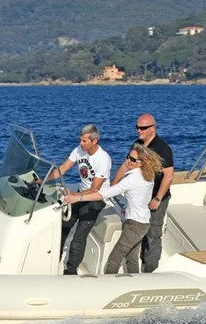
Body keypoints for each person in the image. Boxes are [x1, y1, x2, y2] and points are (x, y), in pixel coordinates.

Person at [64, 144, 161, 274]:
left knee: (114, 259)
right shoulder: (148, 175)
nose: (128, 161)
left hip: (135, 225)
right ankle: (136, 282)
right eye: (128, 157)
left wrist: (77, 198)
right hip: (143, 222)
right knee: (131, 259)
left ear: (141, 163)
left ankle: (109, 283)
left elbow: (104, 194)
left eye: (133, 160)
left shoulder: (133, 178)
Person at [45, 124, 112, 275]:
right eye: (80, 140)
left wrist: (74, 197)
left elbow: (95, 189)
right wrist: (43, 180)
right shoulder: (78, 150)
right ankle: (53, 262)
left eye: (84, 141)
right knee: (64, 227)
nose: (81, 143)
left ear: (94, 141)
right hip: (81, 193)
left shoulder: (103, 159)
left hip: (96, 199)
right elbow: (62, 169)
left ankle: (70, 272)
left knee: (79, 237)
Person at [111, 113, 174, 273]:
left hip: (156, 198)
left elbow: (168, 175)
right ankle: (134, 271)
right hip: (140, 199)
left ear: (153, 128)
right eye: (137, 127)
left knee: (153, 235)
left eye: (143, 128)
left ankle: (150, 272)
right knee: (137, 235)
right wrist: (114, 184)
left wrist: (158, 198)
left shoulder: (163, 149)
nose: (139, 130)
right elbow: (126, 165)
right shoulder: (137, 145)